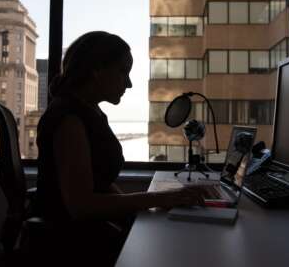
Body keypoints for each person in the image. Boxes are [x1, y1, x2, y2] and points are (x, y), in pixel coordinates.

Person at [32, 31, 205, 266]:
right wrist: (157, 199)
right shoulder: (68, 119)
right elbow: (81, 206)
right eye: (123, 71)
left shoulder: (90, 111)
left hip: (87, 230)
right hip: (72, 242)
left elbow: (100, 182)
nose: (129, 83)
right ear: (97, 71)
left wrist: (140, 211)